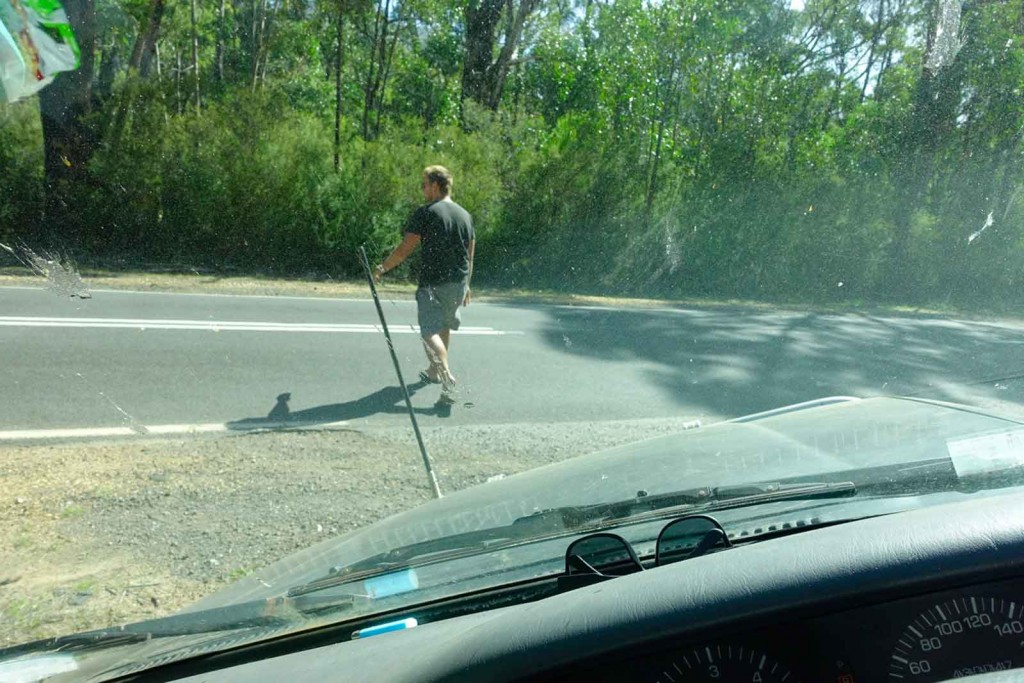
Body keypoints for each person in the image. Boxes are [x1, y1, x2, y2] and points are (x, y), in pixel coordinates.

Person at [374, 165, 475, 405]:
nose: (422, 189)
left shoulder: (427, 212)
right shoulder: (465, 215)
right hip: (458, 283)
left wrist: (382, 268)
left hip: (433, 283)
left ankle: (446, 376)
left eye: (424, 185)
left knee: (429, 332)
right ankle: (434, 371)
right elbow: (469, 255)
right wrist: (467, 285)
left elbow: (404, 250)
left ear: (436, 186)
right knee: (444, 328)